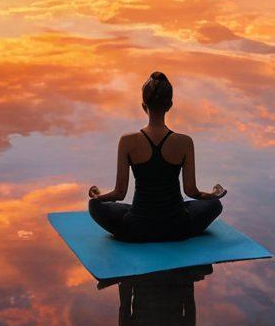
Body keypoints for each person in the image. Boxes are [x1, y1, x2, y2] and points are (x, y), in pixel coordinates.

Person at [88, 71, 226, 242]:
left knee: (94, 206)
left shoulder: (127, 141)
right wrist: (213, 194)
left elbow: (119, 193)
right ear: (170, 105)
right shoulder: (185, 142)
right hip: (178, 227)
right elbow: (191, 191)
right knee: (214, 204)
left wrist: (98, 197)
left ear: (143, 106)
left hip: (136, 228)